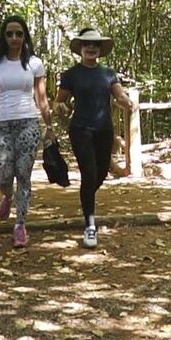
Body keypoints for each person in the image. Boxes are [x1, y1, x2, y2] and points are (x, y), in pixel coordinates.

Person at [54, 27, 136, 248]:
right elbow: (60, 100)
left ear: (100, 49)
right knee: (88, 173)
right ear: (80, 48)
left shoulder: (108, 73)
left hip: (104, 130)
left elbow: (118, 94)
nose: (91, 48)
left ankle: (86, 197)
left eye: (95, 45)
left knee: (99, 175)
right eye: (87, 44)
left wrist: (127, 101)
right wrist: (61, 106)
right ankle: (90, 225)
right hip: (80, 129)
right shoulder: (70, 75)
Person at [0, 15, 54, 248]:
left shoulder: (34, 64)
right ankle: (7, 196)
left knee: (23, 174)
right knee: (3, 175)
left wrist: (49, 126)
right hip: (3, 124)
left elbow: (41, 98)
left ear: (25, 36)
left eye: (18, 34)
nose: (14, 38)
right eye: (9, 33)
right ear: (4, 36)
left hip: (28, 123)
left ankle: (20, 224)